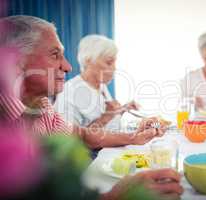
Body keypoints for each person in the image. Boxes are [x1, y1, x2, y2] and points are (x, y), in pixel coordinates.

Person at [0, 15, 183, 200]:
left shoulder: (42, 106)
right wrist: (113, 197)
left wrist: (134, 137)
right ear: (15, 61)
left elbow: (81, 134)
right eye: (55, 55)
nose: (68, 66)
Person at [55, 34, 138, 130]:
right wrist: (105, 117)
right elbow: (70, 141)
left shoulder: (101, 86)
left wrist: (121, 110)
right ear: (88, 61)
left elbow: (107, 126)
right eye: (109, 62)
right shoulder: (68, 92)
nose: (114, 68)